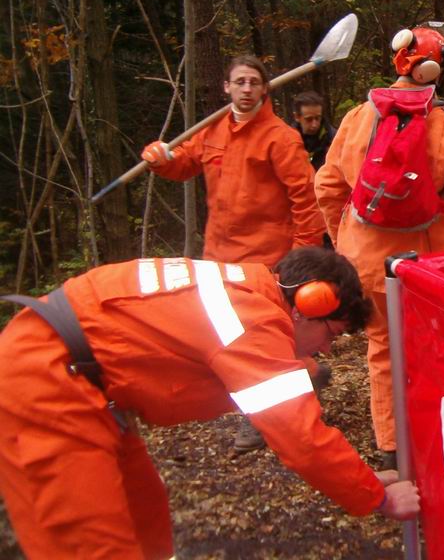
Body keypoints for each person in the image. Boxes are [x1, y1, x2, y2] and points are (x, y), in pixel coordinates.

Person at [0, 247, 420, 559]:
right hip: (46, 383)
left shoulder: (249, 298)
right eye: (332, 334)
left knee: (145, 518)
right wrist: (377, 498)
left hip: (83, 384)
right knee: (93, 543)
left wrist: (360, 478)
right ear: (308, 304)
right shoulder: (251, 321)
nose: (326, 350)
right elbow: (301, 438)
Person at [315, 25, 444, 469]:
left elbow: (326, 187)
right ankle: (439, 445)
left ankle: (393, 448)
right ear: (437, 70)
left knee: (382, 349)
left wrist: (343, 244)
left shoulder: (358, 118)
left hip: (366, 262)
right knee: (437, 348)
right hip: (427, 267)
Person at [141, 54, 328, 451]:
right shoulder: (212, 130)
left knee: (257, 341)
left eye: (253, 82)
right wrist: (161, 158)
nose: (246, 89)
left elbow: (306, 199)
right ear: (227, 87)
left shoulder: (280, 138)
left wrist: (302, 257)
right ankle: (307, 373)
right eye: (239, 82)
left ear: (265, 89)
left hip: (266, 260)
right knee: (233, 336)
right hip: (219, 257)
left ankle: (263, 417)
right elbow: (184, 163)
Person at [293, 90, 337, 170]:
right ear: (297, 117)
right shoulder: (289, 141)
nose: (314, 124)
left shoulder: (333, 138)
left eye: (317, 118)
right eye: (309, 119)